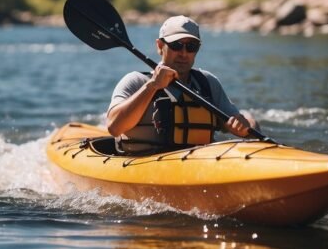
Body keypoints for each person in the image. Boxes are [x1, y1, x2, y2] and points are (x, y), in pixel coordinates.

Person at [106, 15, 259, 154]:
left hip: (196, 165)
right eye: (176, 45)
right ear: (160, 46)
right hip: (144, 164)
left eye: (191, 46)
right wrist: (152, 86)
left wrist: (246, 124)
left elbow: (244, 124)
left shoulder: (207, 83)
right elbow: (114, 127)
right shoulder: (136, 81)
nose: (184, 53)